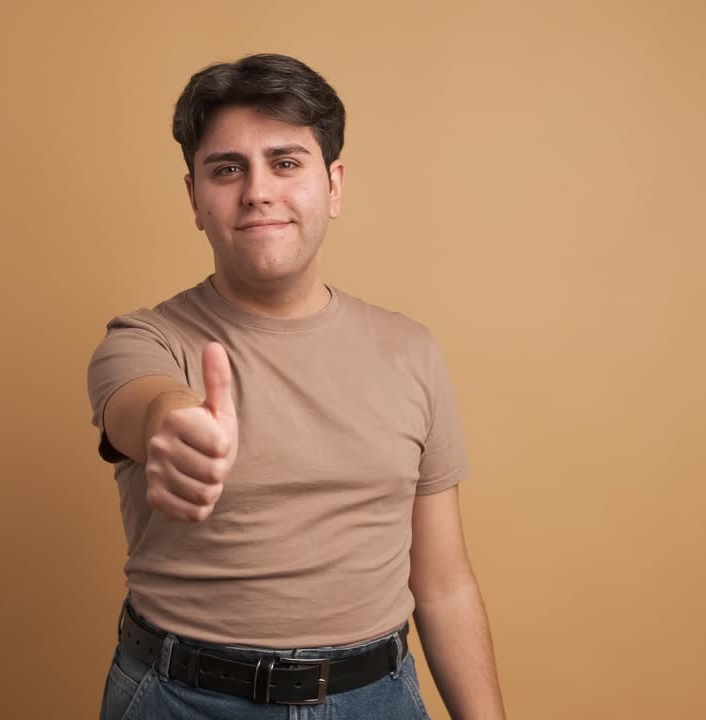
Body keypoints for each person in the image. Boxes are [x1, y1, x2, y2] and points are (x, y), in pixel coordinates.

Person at [87, 53, 506, 719]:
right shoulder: (143, 341)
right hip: (181, 700)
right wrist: (174, 427)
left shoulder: (411, 351)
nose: (257, 190)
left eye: (286, 162)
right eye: (227, 169)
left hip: (376, 699)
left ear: (333, 185)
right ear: (194, 196)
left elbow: (445, 582)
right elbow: (145, 408)